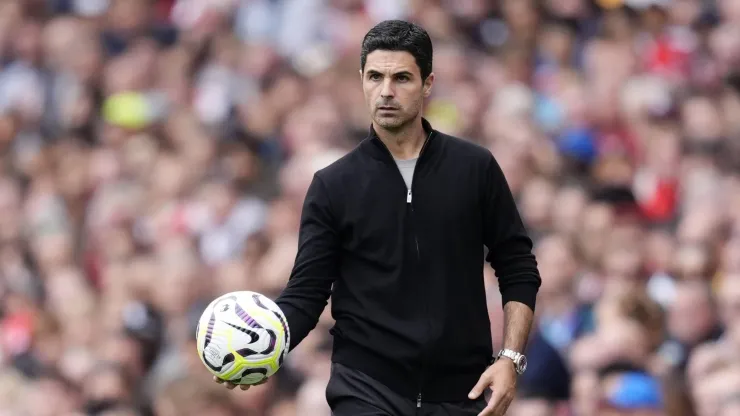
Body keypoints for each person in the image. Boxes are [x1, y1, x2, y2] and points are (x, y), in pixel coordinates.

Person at [215, 20, 542, 416]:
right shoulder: (333, 185)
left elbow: (518, 265)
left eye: (401, 77)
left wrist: (510, 358)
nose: (386, 91)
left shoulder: (475, 168)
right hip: (365, 389)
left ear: (428, 83)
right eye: (375, 77)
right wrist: (262, 346)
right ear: (362, 81)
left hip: (462, 392)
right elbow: (307, 293)